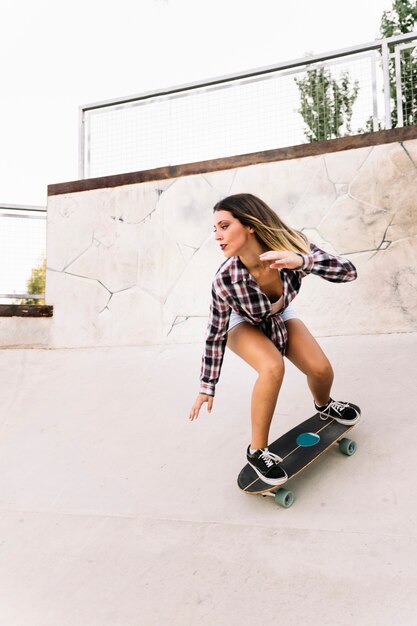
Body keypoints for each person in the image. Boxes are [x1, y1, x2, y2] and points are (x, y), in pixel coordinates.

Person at [189, 193, 360, 486]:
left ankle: (324, 405)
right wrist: (207, 385)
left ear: (250, 225)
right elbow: (215, 332)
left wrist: (303, 260)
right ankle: (257, 451)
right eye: (214, 229)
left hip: (279, 312)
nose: (217, 236)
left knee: (320, 370)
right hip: (239, 322)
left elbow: (348, 273)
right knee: (272, 367)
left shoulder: (292, 246)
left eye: (224, 226)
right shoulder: (225, 280)